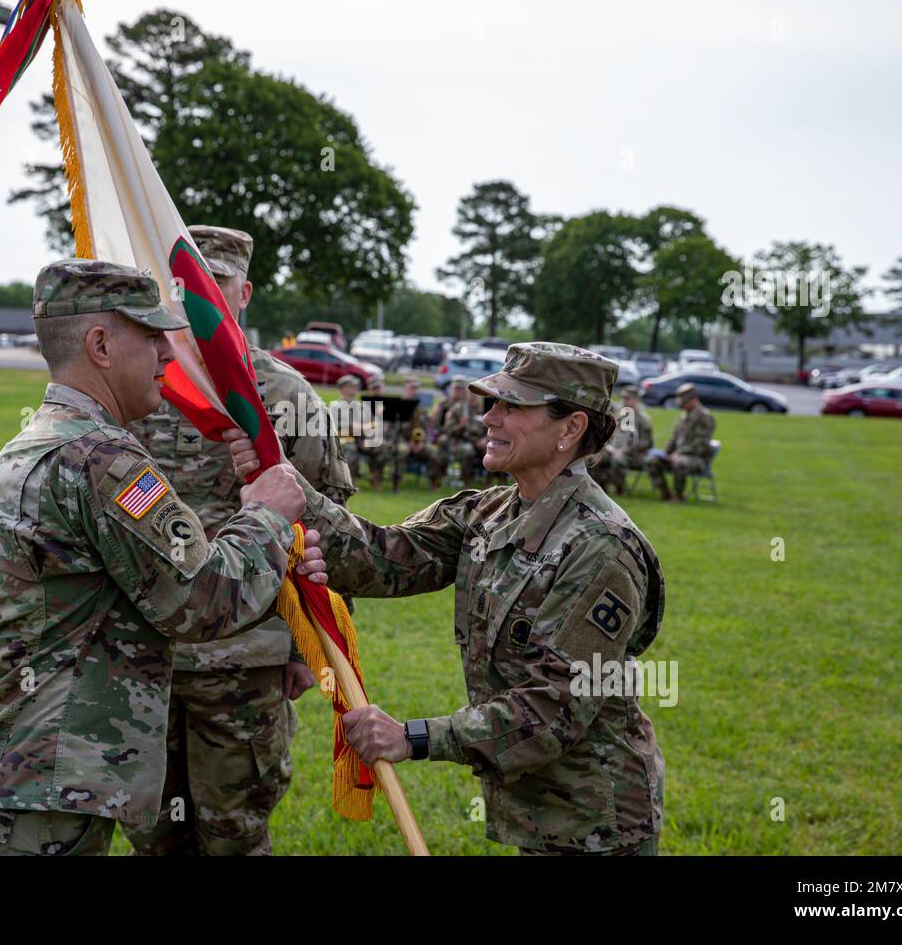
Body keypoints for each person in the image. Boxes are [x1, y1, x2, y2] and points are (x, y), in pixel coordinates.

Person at [0, 259, 324, 856]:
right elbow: (201, 600)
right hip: (30, 795)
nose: (168, 352)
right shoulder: (99, 459)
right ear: (100, 345)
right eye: (152, 335)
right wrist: (265, 512)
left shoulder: (42, 438)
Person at [230, 342, 665, 855]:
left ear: (570, 428)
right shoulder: (490, 512)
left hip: (598, 820)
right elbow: (383, 558)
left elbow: (553, 710)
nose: (489, 419)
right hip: (540, 809)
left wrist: (413, 737)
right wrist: (285, 481)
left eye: (512, 407)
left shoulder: (601, 548)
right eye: (491, 403)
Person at [123, 226, 355, 856]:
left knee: (234, 835)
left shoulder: (283, 396)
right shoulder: (136, 384)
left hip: (243, 660)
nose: (191, 299)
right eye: (178, 286)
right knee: (153, 834)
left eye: (210, 285)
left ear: (243, 293)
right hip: (143, 652)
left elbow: (328, 532)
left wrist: (309, 650)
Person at [646, 382, 715, 502]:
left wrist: (679, 453)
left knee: (679, 463)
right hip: (678, 456)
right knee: (651, 460)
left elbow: (700, 444)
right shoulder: (683, 417)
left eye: (684, 403)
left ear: (693, 400)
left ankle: (678, 496)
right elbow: (674, 439)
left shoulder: (704, 417)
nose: (681, 406)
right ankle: (665, 493)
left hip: (697, 458)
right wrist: (666, 453)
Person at [593, 387, 653, 496]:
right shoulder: (618, 415)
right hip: (613, 450)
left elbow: (645, 443)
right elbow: (608, 435)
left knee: (618, 460)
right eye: (623, 398)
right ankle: (599, 487)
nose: (624, 401)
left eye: (628, 399)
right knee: (594, 458)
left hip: (634, 455)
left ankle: (619, 489)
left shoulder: (643, 419)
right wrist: (609, 448)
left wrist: (624, 451)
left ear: (636, 400)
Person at [389, 378, 442, 491]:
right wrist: (408, 442)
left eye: (417, 388)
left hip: (419, 441)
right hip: (401, 440)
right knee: (402, 450)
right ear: (405, 389)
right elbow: (392, 430)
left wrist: (421, 443)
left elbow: (425, 428)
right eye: (412, 388)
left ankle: (433, 482)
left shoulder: (421, 408)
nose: (415, 391)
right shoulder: (397, 406)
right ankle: (396, 482)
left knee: (434, 451)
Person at [438, 377, 488, 487]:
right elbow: (448, 429)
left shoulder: (483, 410)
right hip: (460, 440)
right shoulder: (458, 408)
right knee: (468, 451)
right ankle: (467, 481)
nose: (473, 395)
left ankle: (489, 482)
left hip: (479, 441)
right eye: (471, 392)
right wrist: (460, 425)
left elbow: (490, 428)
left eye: (477, 392)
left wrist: (485, 439)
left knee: (492, 450)